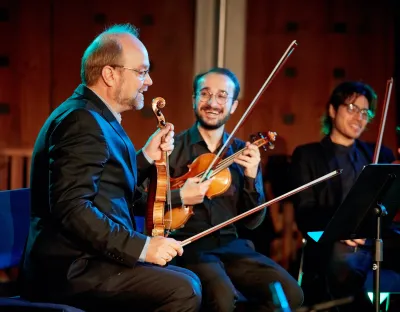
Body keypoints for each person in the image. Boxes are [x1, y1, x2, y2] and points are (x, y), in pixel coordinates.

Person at [20, 24, 207, 312]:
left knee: (189, 279)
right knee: (183, 290)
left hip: (89, 258)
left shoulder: (95, 116)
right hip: (71, 268)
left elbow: (109, 190)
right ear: (110, 74)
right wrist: (143, 247)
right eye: (142, 72)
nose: (149, 81)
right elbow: (72, 208)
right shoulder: (81, 121)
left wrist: (144, 157)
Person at [165, 67, 304, 312]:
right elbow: (140, 198)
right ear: (194, 100)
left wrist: (251, 178)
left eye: (221, 96)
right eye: (205, 94)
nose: (212, 103)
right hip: (187, 245)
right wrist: (180, 195)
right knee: (223, 298)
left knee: (290, 294)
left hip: (232, 246)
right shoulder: (171, 148)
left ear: (233, 106)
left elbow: (252, 223)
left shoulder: (243, 152)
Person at [291, 81, 400, 311]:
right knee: (345, 263)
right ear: (332, 110)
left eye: (365, 111)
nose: (359, 117)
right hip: (334, 243)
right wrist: (342, 228)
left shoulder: (378, 153)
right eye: (351, 108)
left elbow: (388, 205)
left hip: (375, 241)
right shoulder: (308, 155)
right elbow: (305, 213)